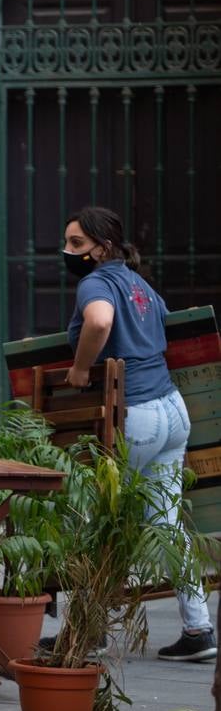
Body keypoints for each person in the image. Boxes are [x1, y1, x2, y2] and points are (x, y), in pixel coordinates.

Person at [58, 205, 215, 662]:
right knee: (166, 524)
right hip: (172, 410)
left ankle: (90, 633)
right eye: (68, 243)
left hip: (137, 414)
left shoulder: (97, 282)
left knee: (101, 519)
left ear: (101, 248)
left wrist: (81, 368)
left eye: (77, 245)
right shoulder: (139, 283)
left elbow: (100, 321)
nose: (67, 252)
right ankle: (199, 629)